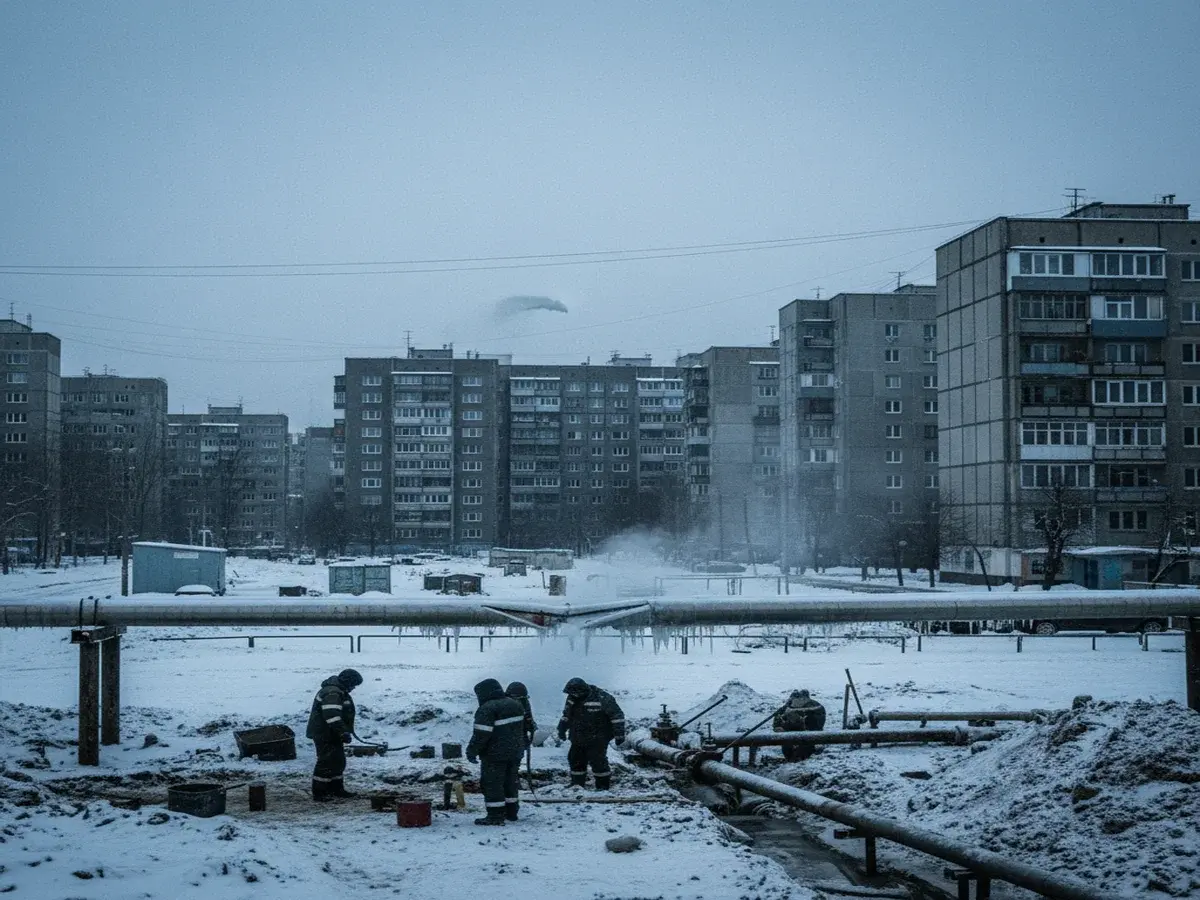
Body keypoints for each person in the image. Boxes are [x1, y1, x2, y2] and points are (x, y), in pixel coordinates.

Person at [466, 678, 527, 825]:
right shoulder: (515, 704)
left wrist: (472, 751)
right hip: (516, 752)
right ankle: (512, 812)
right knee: (510, 782)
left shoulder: (487, 709)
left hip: (495, 754)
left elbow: (481, 735)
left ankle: (495, 816)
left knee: (493, 783)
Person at [557, 677, 625, 790]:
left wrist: (619, 734)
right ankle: (577, 785)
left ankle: (603, 786)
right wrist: (562, 729)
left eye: (574, 693)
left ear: (582, 690)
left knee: (598, 761)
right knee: (575, 759)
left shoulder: (603, 697)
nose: (573, 695)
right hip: (577, 736)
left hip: (598, 737)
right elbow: (566, 715)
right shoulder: (572, 698)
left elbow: (617, 716)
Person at [305, 668, 363, 801]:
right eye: (353, 685)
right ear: (347, 682)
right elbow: (332, 715)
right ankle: (320, 793)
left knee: (337, 761)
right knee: (326, 761)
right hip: (324, 734)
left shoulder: (338, 691)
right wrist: (342, 731)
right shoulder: (333, 693)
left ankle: (336, 789)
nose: (354, 688)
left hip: (332, 733)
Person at [772, 689, 827, 762]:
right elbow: (777, 719)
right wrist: (778, 727)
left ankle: (797, 757)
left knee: (804, 748)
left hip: (808, 735)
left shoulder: (813, 707)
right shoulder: (788, 708)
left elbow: (816, 725)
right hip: (791, 735)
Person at [505, 681, 537, 748]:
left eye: (522, 699)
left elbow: (528, 717)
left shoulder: (525, 702)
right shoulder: (504, 704)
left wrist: (530, 725)